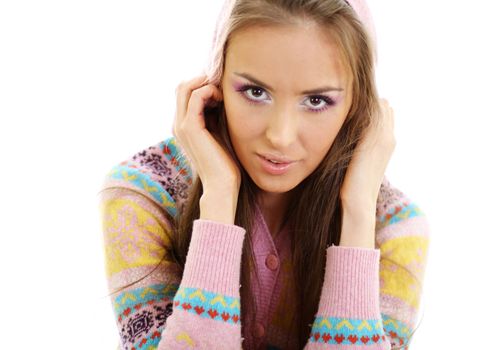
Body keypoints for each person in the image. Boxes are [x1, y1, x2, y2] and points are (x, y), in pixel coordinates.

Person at [98, 0, 431, 349]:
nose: (280, 136)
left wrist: (358, 214)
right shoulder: (145, 195)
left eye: (317, 101)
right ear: (216, 84)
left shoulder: (395, 229)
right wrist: (219, 198)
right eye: (255, 92)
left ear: (358, 107)